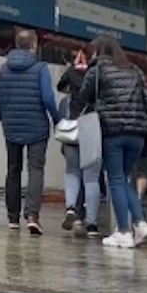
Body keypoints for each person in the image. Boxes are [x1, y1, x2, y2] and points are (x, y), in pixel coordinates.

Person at [79, 34, 147, 249]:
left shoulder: (98, 70)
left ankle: (124, 231)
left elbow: (84, 96)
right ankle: (140, 224)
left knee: (115, 180)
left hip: (113, 132)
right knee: (123, 179)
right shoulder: (135, 70)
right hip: (138, 134)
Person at [0, 28, 61, 234]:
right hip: (37, 127)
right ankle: (32, 215)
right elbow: (48, 98)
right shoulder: (40, 68)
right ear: (34, 46)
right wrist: (57, 119)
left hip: (11, 126)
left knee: (13, 170)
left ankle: (12, 218)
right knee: (35, 170)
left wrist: (4, 119)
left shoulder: (4, 69)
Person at [59, 45, 101, 237]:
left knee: (72, 171)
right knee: (91, 177)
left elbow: (60, 86)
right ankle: (91, 223)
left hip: (72, 127)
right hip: (91, 125)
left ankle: (70, 207)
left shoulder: (70, 73)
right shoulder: (98, 73)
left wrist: (73, 67)